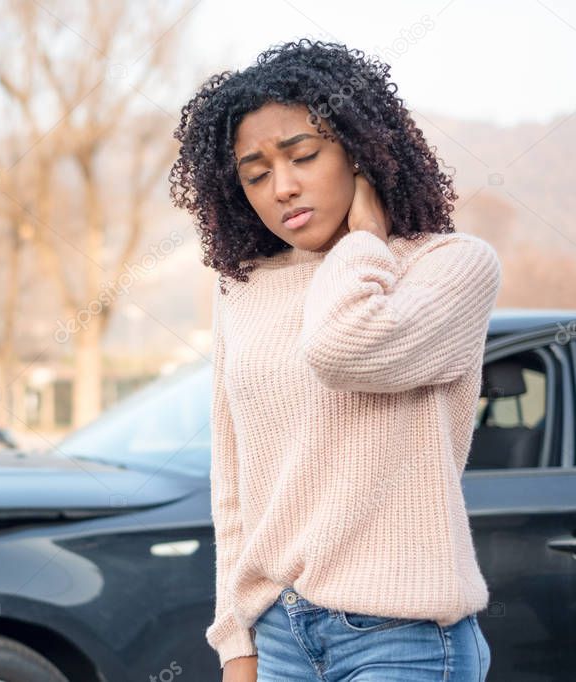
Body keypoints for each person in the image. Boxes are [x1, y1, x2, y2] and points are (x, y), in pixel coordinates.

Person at [169, 39, 499, 681]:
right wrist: (235, 641)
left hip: (401, 641)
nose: (283, 187)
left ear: (361, 150)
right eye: (256, 173)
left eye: (303, 155)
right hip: (280, 637)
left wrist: (365, 241)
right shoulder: (244, 286)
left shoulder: (447, 265)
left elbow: (345, 348)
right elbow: (233, 479)